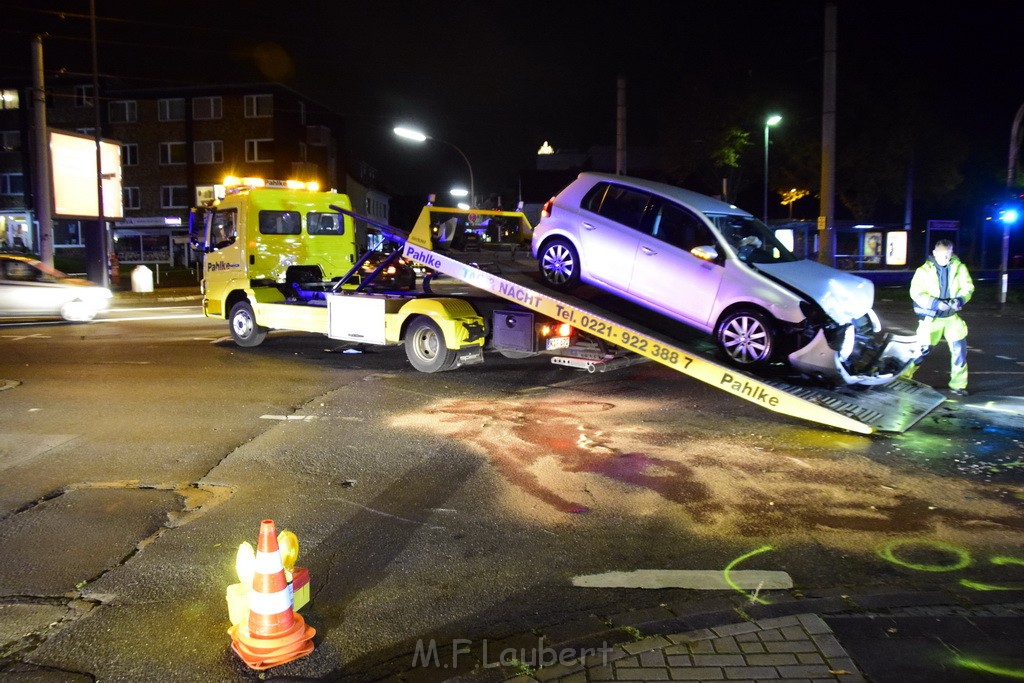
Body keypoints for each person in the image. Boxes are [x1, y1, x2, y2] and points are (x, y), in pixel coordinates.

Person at [901, 239, 975, 396]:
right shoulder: (924, 271)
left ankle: (958, 385)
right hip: (931, 318)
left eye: (948, 255)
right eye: (942, 256)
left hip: (951, 317)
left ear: (952, 253)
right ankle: (903, 377)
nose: (945, 259)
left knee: (959, 351)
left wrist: (959, 300)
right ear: (934, 254)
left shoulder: (960, 268)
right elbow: (916, 293)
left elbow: (968, 287)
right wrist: (935, 304)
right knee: (922, 350)